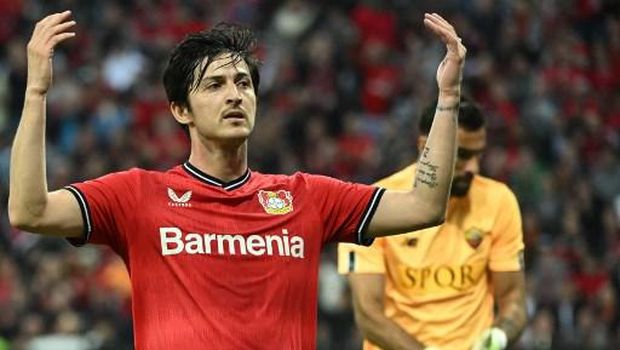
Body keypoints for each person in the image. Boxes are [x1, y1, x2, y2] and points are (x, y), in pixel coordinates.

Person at [8, 10, 466, 349]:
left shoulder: (306, 197)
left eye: (243, 84)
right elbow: (30, 211)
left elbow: (424, 207)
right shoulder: (137, 195)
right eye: (215, 85)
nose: (234, 95)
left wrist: (447, 98)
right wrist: (36, 90)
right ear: (180, 110)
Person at [338, 99, 527, 350]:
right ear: (425, 147)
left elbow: (513, 299)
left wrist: (497, 338)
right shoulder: (375, 205)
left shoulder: (499, 201)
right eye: (462, 155)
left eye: (478, 155)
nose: (474, 168)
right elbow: (369, 315)